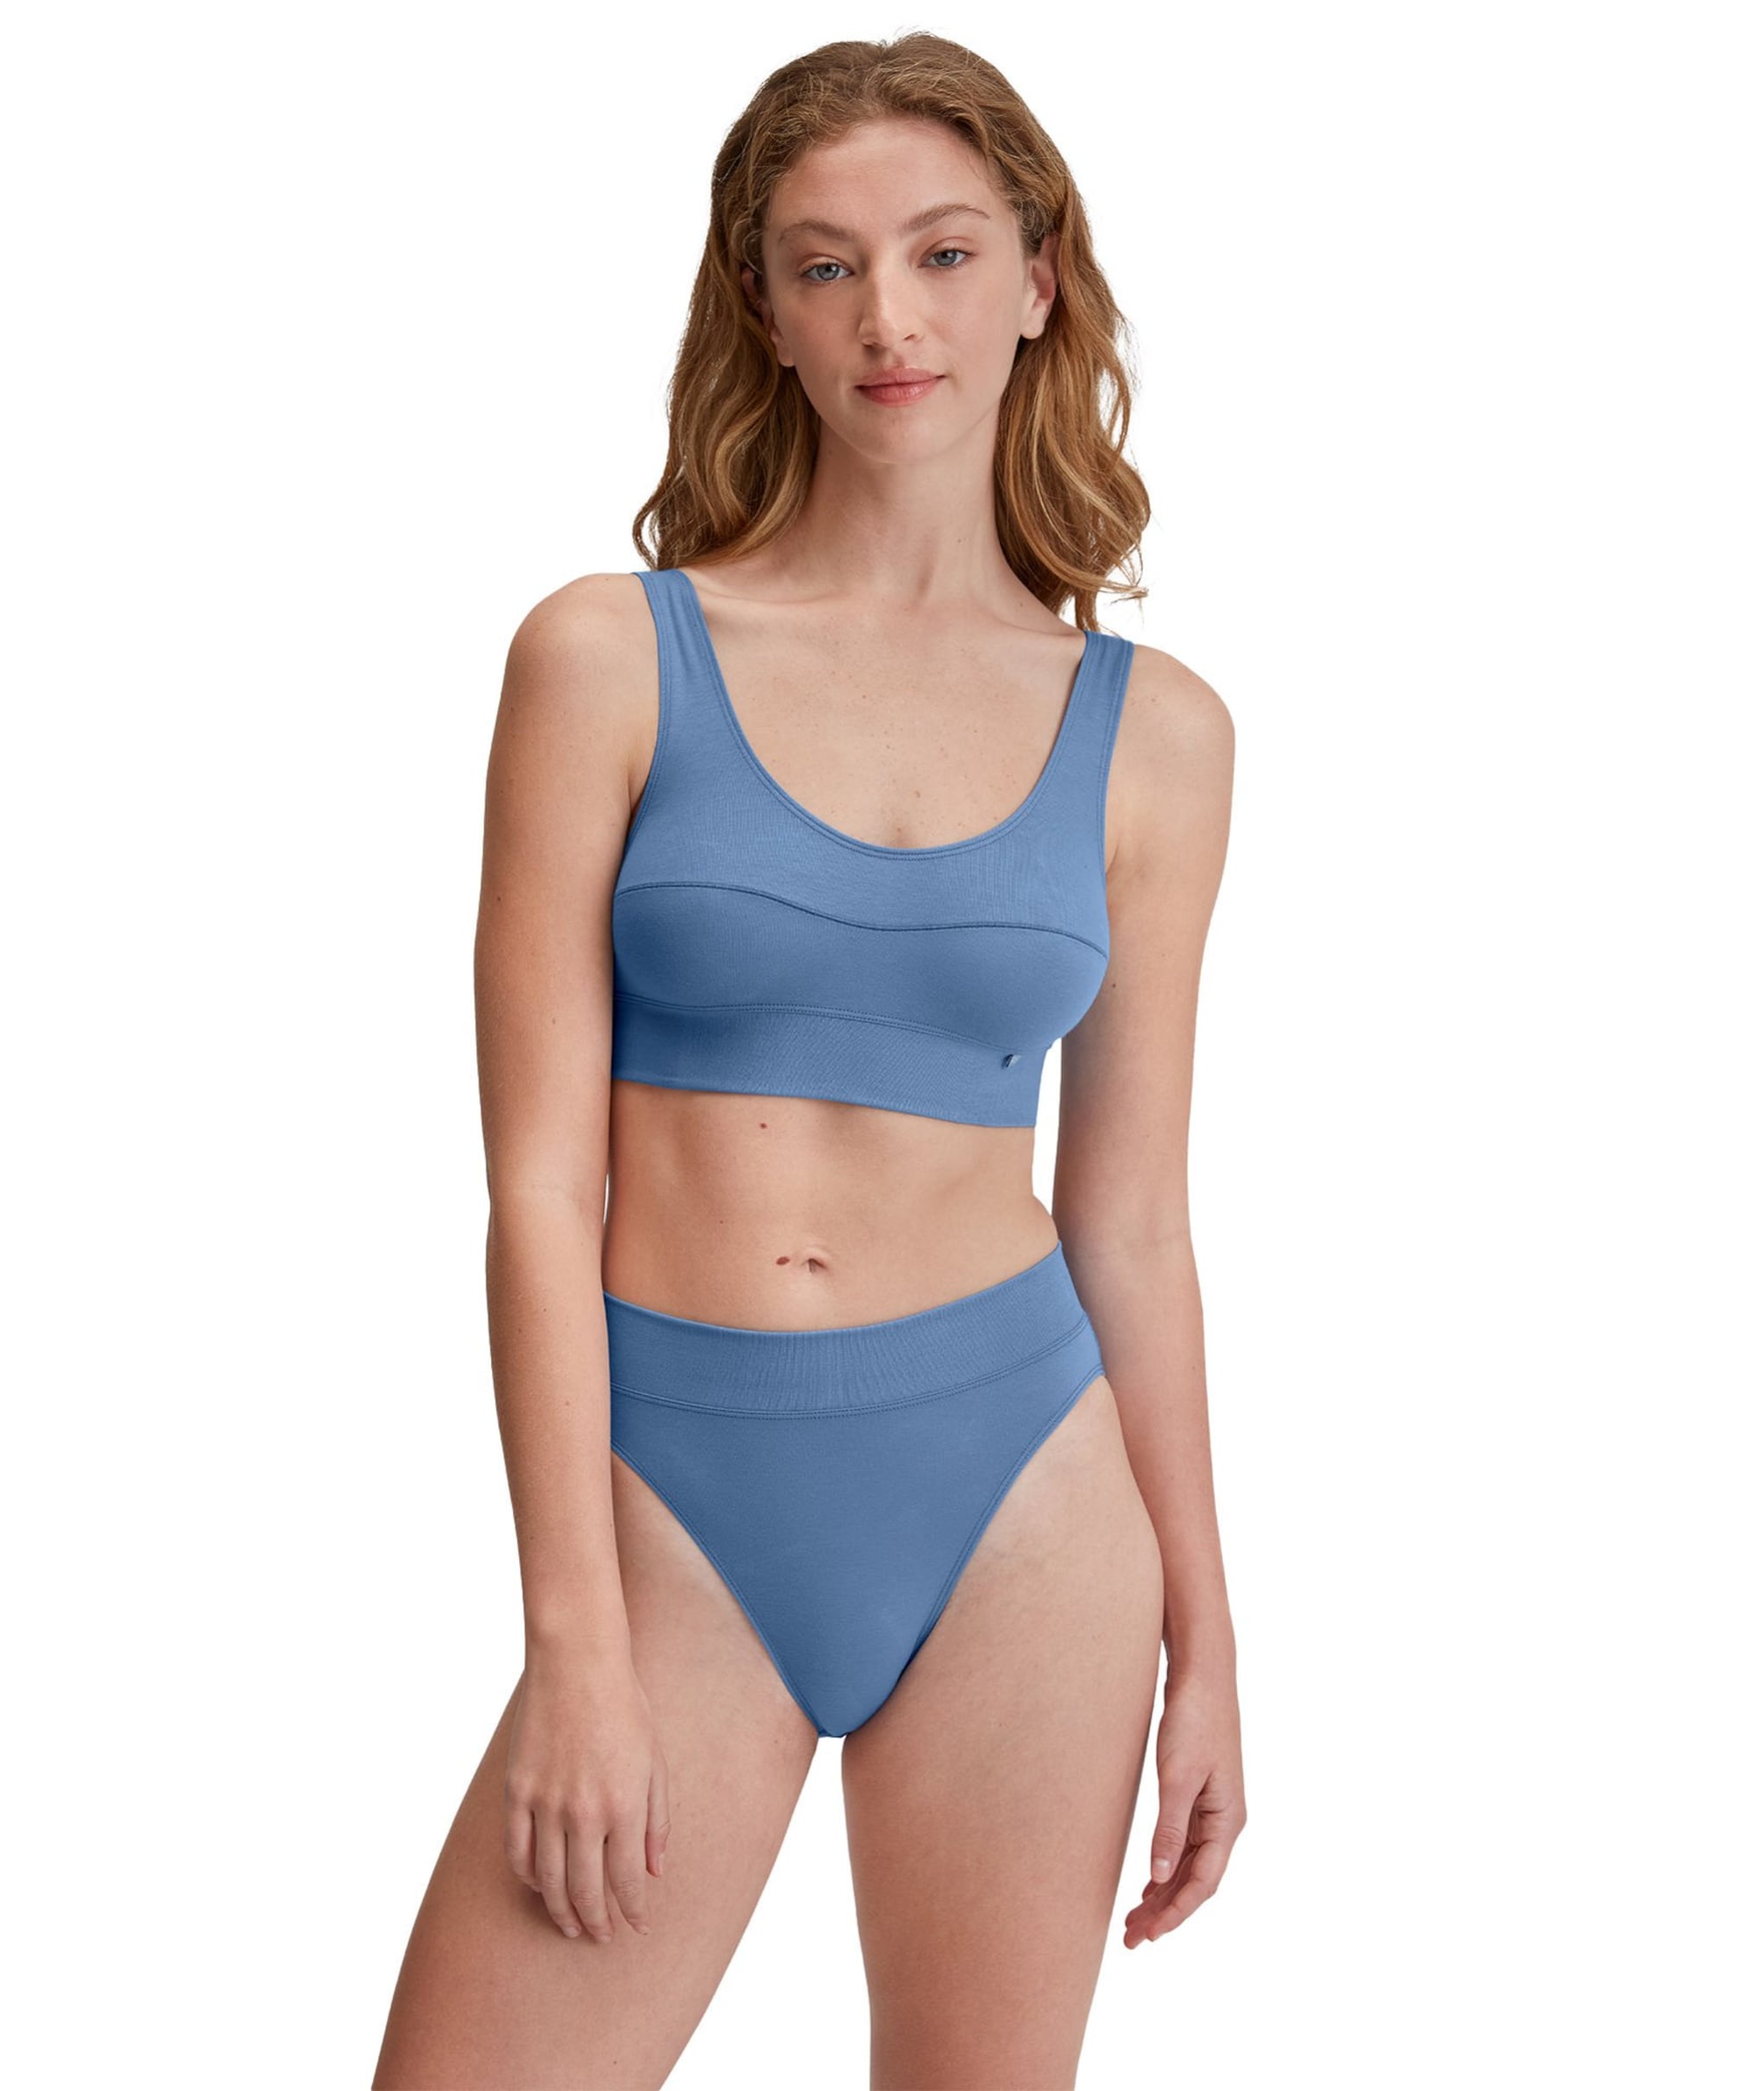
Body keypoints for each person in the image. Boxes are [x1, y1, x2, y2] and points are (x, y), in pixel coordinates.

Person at [375, 32, 1242, 2088]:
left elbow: (1132, 1218)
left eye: (942, 253)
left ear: (1037, 278)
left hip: (1029, 1497)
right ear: (761, 308)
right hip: (676, 1489)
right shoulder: (608, 656)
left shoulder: (1160, 735)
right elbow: (538, 1187)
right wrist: (571, 1638)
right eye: (826, 265)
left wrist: (1208, 1633)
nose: (889, 319)